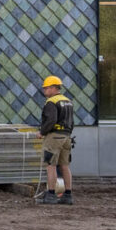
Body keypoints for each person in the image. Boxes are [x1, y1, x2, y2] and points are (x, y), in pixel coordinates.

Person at [36, 75, 76, 205]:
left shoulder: (51, 102)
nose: (44, 91)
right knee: (65, 166)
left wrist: (42, 132)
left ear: (53, 88)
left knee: (50, 166)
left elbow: (51, 120)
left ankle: (51, 194)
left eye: (46, 88)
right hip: (66, 137)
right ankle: (68, 195)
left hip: (54, 137)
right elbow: (72, 122)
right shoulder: (68, 101)